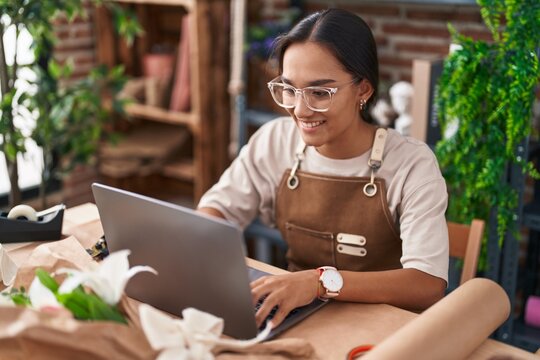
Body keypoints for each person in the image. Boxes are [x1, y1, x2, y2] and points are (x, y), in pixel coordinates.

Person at [198, 8, 448, 329]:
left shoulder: (411, 163)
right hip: (295, 318)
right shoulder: (275, 140)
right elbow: (215, 210)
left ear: (364, 90)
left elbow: (427, 284)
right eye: (289, 89)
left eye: (319, 93)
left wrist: (318, 283)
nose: (300, 110)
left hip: (382, 331)